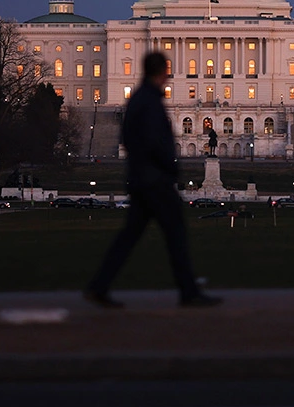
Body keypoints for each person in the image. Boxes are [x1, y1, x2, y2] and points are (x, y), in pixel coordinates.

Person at [85, 51, 221, 309]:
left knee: (130, 236)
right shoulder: (148, 101)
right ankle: (188, 292)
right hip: (154, 181)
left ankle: (99, 286)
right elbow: (153, 142)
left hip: (143, 178)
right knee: (176, 235)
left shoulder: (140, 99)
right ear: (161, 72)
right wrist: (168, 168)